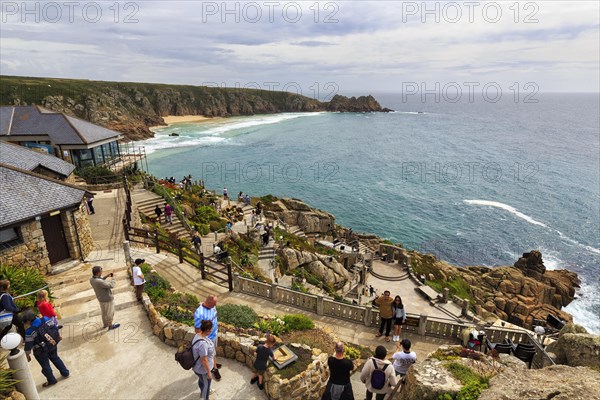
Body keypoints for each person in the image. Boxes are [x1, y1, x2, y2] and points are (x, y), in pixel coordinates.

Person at [21, 309, 69, 387]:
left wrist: (27, 355)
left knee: (45, 365)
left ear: (28, 321)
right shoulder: (46, 319)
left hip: (40, 351)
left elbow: (28, 346)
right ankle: (65, 373)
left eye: (24, 322)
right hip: (52, 343)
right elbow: (55, 328)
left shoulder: (29, 331)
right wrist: (58, 336)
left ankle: (52, 380)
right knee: (56, 358)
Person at [194, 295, 220, 381]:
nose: (215, 305)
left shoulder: (213, 307)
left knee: (213, 353)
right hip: (207, 339)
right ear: (209, 302)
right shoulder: (199, 313)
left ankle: (213, 365)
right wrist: (204, 341)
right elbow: (197, 330)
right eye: (214, 303)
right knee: (208, 355)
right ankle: (214, 369)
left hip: (214, 335)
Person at [193, 319, 216, 400]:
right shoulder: (202, 344)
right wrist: (209, 373)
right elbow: (204, 360)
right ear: (207, 330)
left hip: (197, 368)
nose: (212, 330)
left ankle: (202, 392)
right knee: (207, 385)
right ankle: (206, 397)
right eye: (211, 329)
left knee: (202, 381)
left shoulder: (198, 335)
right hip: (203, 370)